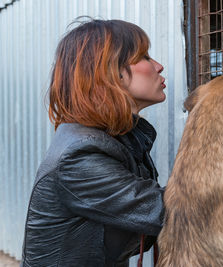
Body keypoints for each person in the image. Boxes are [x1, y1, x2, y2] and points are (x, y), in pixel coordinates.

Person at [21, 19, 166, 267]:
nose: (159, 66)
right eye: (144, 57)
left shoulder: (116, 138)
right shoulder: (80, 155)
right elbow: (164, 211)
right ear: (110, 73)